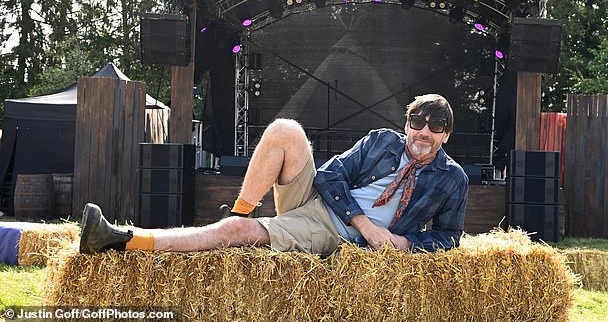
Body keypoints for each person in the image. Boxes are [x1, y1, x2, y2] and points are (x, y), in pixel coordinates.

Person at [79, 94, 468, 255]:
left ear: (446, 134)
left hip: (334, 234)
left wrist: (404, 243)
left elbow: (450, 237)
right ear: (407, 123)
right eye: (418, 121)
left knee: (230, 235)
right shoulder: (383, 141)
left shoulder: (453, 179)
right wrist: (365, 223)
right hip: (329, 207)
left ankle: (121, 240)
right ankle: (243, 212)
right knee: (285, 129)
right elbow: (330, 176)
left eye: (436, 126)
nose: (424, 132)